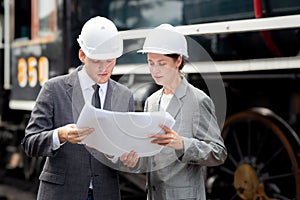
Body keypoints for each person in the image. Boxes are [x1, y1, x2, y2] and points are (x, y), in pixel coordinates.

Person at [21, 16, 138, 200]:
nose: (104, 68)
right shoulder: (54, 89)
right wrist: (60, 135)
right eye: (97, 61)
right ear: (82, 56)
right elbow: (30, 144)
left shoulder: (125, 96)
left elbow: (127, 149)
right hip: (62, 193)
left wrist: (129, 159)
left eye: (109, 60)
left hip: (105, 193)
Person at [137, 24, 227, 200]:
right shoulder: (152, 101)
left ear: (178, 61)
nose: (155, 70)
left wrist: (183, 144)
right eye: (150, 63)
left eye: (162, 64)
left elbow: (218, 153)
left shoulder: (198, 100)